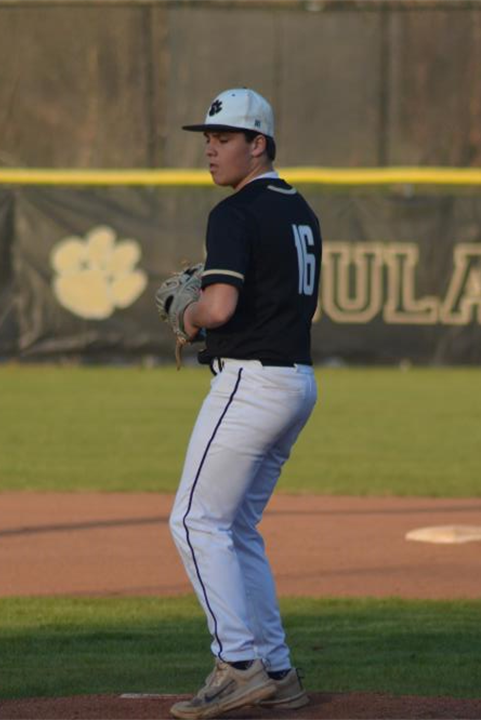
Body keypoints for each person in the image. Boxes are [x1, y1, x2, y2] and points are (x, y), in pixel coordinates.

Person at [169, 88, 322, 720]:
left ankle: (237, 664)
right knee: (236, 527)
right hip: (296, 383)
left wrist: (189, 317)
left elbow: (220, 307)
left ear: (258, 144)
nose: (210, 149)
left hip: (250, 383)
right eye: (208, 138)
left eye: (224, 138)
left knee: (194, 521)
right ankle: (277, 672)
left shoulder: (234, 213)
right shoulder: (301, 210)